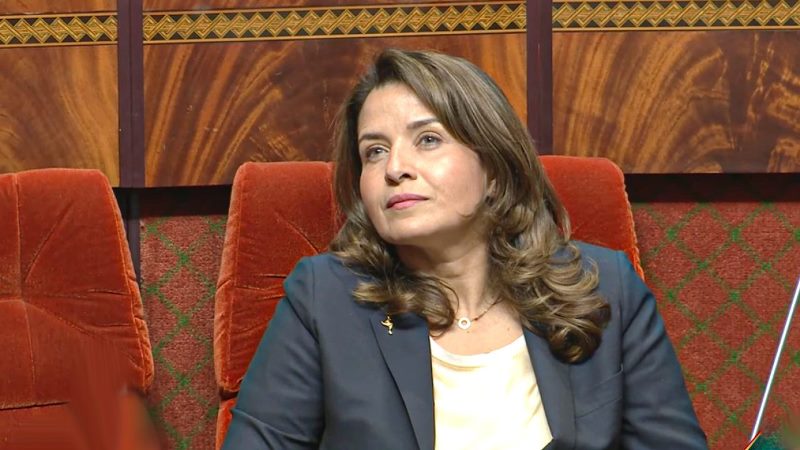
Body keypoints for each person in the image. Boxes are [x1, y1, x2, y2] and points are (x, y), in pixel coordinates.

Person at [222, 48, 707, 449]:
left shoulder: (607, 288)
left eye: (428, 140)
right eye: (374, 151)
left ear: (493, 167)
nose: (395, 168)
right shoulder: (323, 298)